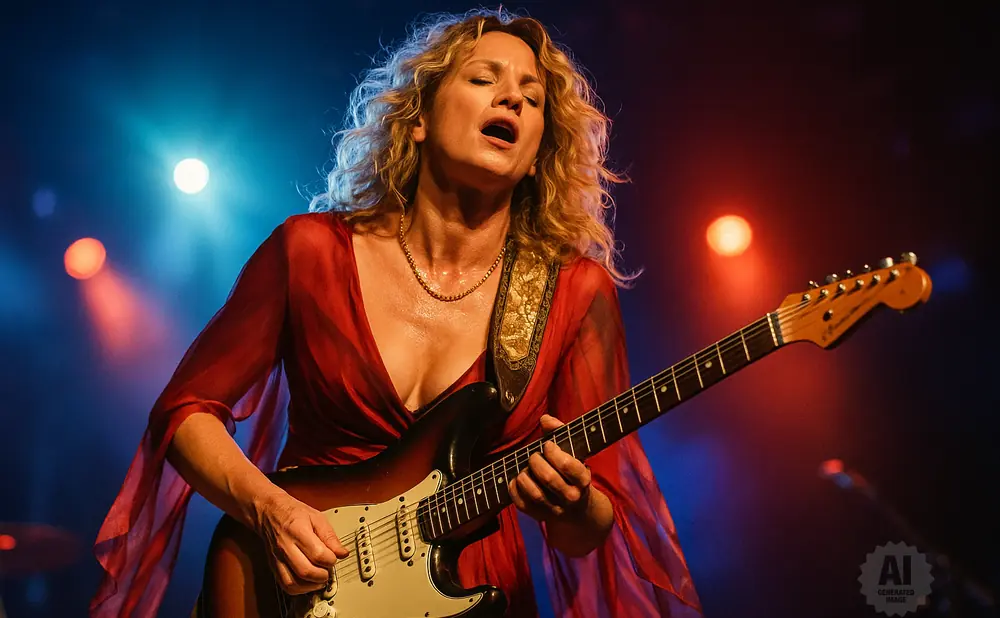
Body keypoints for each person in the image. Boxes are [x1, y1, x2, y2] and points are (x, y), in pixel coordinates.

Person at [90, 8, 702, 618]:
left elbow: (588, 528)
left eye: (533, 97)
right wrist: (268, 510)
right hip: (301, 582)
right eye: (485, 79)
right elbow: (186, 412)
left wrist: (573, 504)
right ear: (418, 121)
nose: (512, 100)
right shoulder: (310, 252)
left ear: (541, 153)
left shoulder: (575, 290)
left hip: (473, 596)